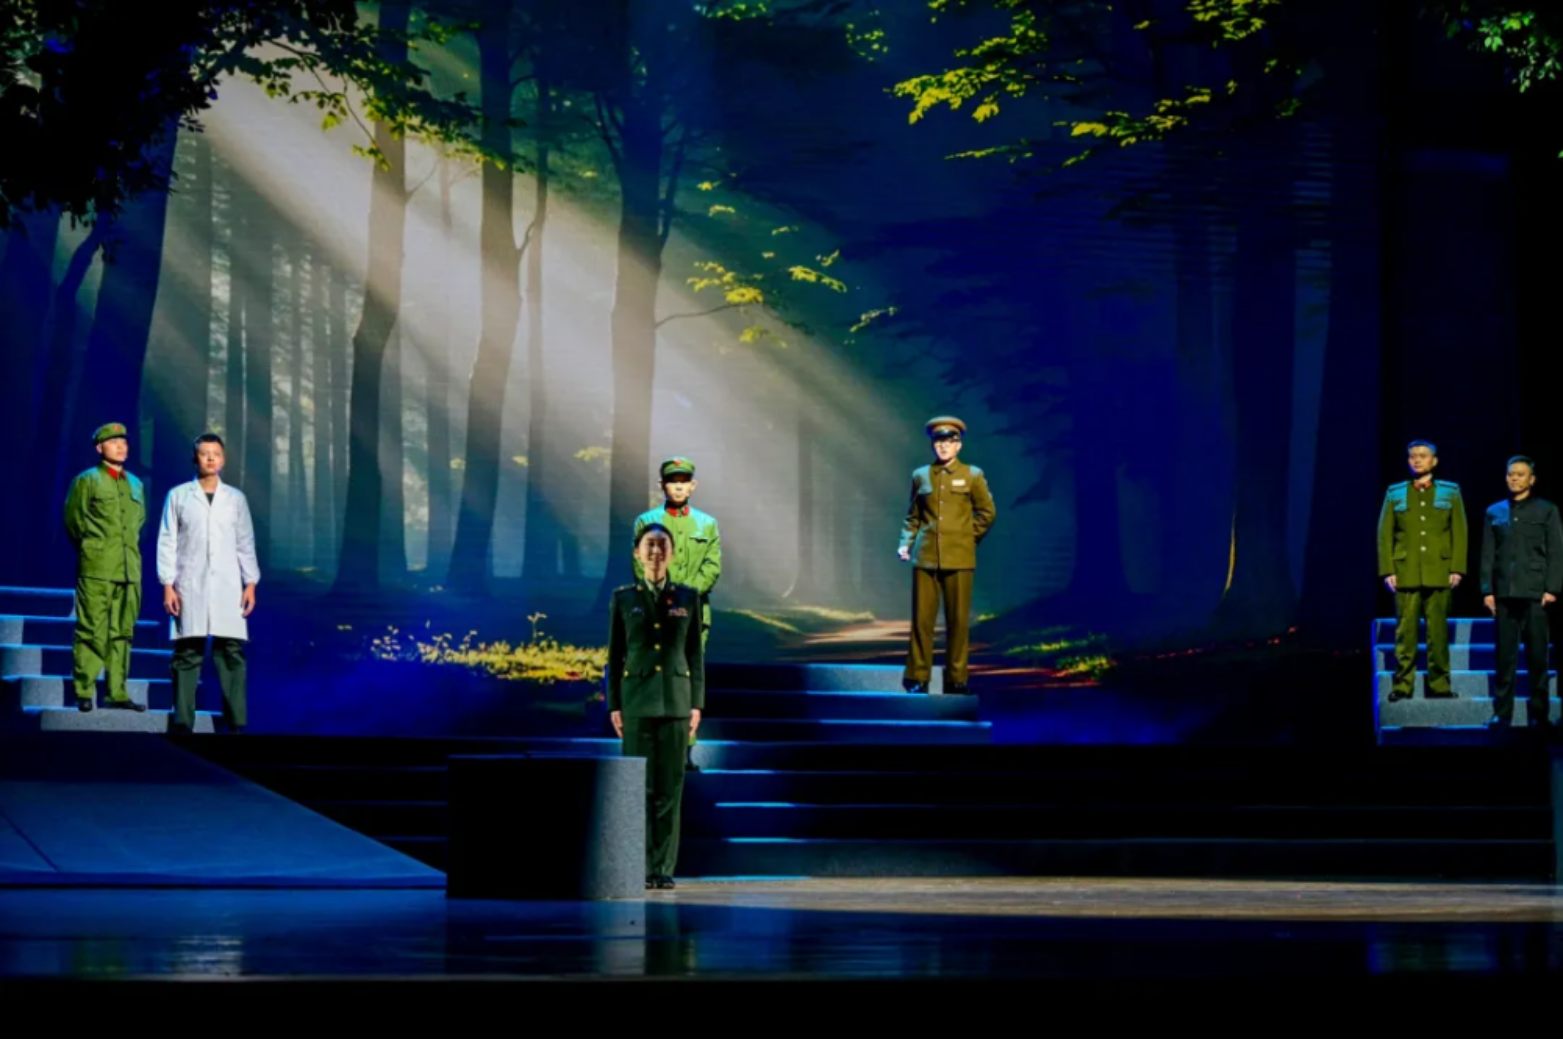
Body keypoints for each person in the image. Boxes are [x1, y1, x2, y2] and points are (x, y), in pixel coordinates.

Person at [608, 524, 705, 891]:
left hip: (676, 703)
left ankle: (662, 868)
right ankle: (639, 866)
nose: (656, 552)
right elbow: (615, 655)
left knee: (669, 790)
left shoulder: (688, 598)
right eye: (649, 545)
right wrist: (615, 704)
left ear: (672, 553)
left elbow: (694, 656)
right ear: (637, 553)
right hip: (636, 702)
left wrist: (696, 704)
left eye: (662, 545)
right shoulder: (623, 599)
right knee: (639, 789)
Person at [156, 433, 260, 734]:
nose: (211, 458)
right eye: (205, 453)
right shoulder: (179, 496)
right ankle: (183, 721)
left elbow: (245, 542)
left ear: (223, 459)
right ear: (195, 459)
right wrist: (168, 584)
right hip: (190, 583)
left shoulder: (235, 499)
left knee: (231, 653)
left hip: (228, 586)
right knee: (188, 652)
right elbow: (167, 541)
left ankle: (236, 722)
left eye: (216, 453)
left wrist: (250, 582)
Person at [633, 456, 721, 770]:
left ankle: (683, 751)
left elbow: (712, 566)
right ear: (662, 485)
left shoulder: (707, 524)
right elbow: (640, 563)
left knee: (687, 682)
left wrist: (686, 596)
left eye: (684, 481)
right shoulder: (646, 522)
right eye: (673, 481)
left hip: (694, 617)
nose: (679, 486)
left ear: (693, 485)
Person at [898, 416, 996, 695]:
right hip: (926, 556)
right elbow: (913, 516)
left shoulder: (972, 475)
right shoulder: (921, 475)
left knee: (958, 621)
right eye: (938, 442)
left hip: (960, 559)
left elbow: (987, 513)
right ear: (933, 445)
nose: (943, 446)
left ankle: (957, 678)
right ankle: (918, 677)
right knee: (922, 622)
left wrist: (967, 538)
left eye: (948, 442)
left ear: (958, 445)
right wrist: (905, 543)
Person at [64, 422, 148, 712]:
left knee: (123, 632)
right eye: (113, 442)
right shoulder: (87, 480)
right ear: (100, 448)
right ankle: (84, 691)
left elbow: (139, 523)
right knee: (91, 629)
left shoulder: (136, 484)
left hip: (129, 570)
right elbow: (74, 521)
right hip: (97, 568)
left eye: (123, 441)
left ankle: (117, 692)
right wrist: (93, 550)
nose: (121, 446)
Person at [1377, 440, 1468, 702]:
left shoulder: (1450, 492)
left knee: (1437, 632)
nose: (1417, 460)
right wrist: (1388, 570)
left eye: (1423, 455)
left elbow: (1459, 532)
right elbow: (1384, 534)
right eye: (1412, 456)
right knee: (1405, 633)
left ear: (1434, 461)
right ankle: (1403, 685)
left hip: (1439, 571)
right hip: (1405, 572)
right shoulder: (1395, 492)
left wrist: (1457, 568)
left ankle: (1439, 685)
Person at [1479, 455, 1563, 729]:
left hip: (1535, 593)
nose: (1514, 478)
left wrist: (1552, 588)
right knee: (1505, 657)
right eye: (1510, 474)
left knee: (1538, 657)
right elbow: (1487, 554)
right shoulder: (1494, 511)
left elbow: (1556, 551)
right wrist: (1487, 590)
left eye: (1520, 474)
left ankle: (1540, 714)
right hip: (1504, 593)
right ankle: (1502, 713)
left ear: (1532, 479)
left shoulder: (1546, 510)